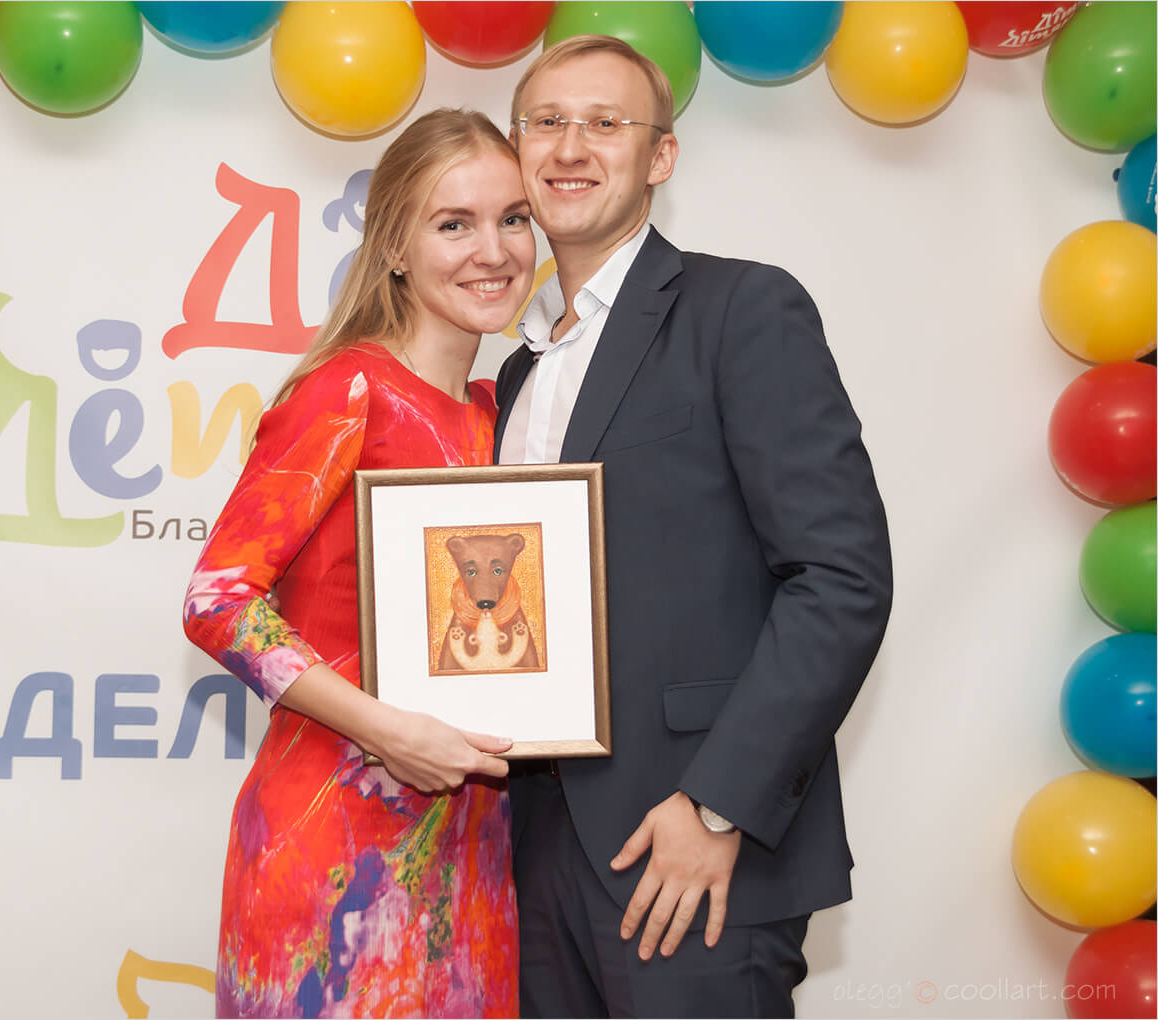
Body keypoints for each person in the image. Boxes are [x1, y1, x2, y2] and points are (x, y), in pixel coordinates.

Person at [495, 36, 894, 1019]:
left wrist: (717, 807)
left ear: (660, 157)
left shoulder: (740, 308)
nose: (570, 146)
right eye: (546, 122)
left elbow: (840, 577)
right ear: (517, 151)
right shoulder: (517, 371)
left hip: (694, 849)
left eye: (605, 123)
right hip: (534, 849)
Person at [182, 108, 536, 1019]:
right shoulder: (349, 388)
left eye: (513, 218)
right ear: (394, 249)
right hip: (333, 853)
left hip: (474, 858)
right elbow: (218, 601)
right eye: (453, 224)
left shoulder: (508, 415)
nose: (493, 250)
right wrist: (388, 729)